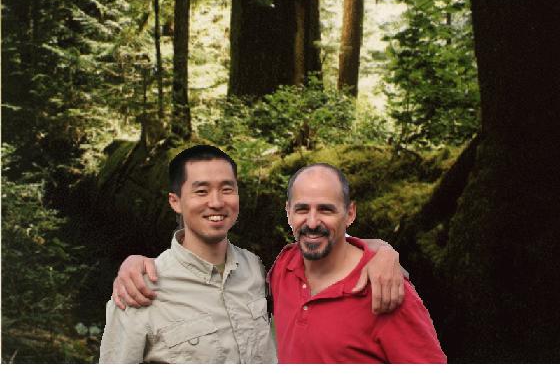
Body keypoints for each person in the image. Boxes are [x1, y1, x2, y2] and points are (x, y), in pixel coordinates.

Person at [102, 145, 405, 363]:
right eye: (201, 191)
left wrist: (381, 251)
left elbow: (328, 250)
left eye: (227, 189)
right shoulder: (139, 291)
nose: (216, 202)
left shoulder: (256, 268)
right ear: (175, 201)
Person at [268, 163, 446, 363]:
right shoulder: (284, 265)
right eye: (302, 209)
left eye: (326, 210)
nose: (312, 222)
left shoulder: (386, 290)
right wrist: (383, 247)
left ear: (350, 213)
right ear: (288, 212)